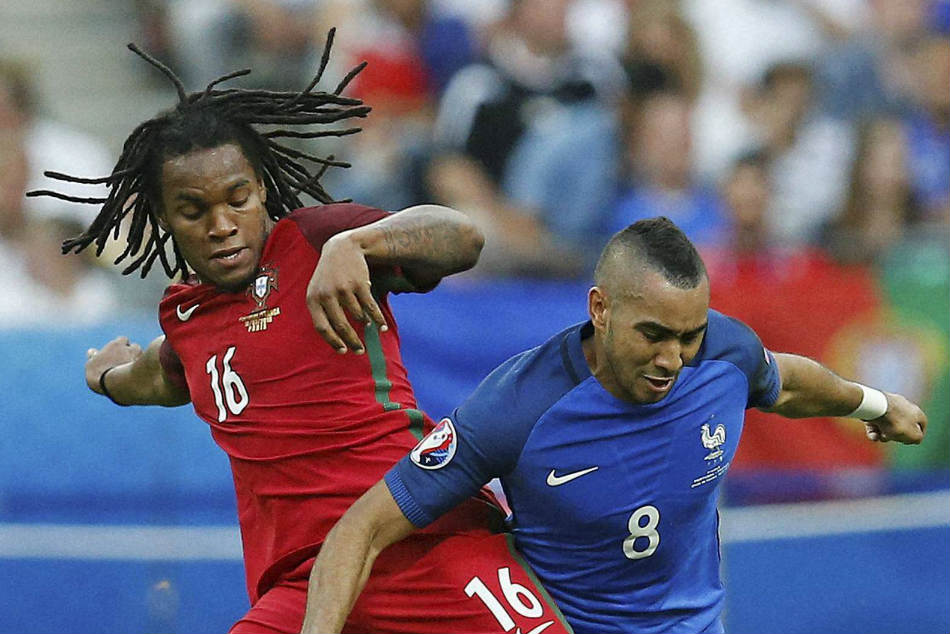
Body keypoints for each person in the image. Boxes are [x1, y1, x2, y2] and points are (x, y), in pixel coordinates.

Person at [29, 35, 569, 634]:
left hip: (423, 540)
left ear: (261, 187)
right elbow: (160, 375)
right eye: (194, 210)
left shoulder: (316, 241)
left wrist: (357, 243)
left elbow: (463, 238)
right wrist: (108, 376)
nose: (221, 224)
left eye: (237, 198)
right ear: (163, 216)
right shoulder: (186, 318)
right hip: (303, 587)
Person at [300, 217, 928, 634]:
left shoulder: (723, 354)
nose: (672, 359)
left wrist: (875, 405)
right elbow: (361, 529)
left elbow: (786, 382)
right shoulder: (518, 406)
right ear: (599, 309)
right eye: (653, 334)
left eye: (688, 335)